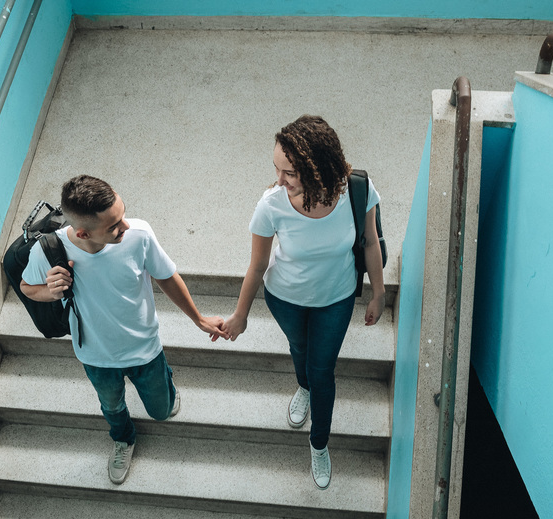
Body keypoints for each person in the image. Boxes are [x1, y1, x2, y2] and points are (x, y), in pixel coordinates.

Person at [20, 174, 225, 485]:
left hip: (145, 349)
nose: (125, 227)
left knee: (161, 409)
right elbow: (26, 287)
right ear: (83, 232)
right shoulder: (47, 251)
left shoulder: (138, 235)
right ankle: (123, 439)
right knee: (112, 406)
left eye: (123, 215)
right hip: (95, 356)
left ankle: (166, 383)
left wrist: (198, 319)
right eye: (113, 226)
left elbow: (166, 276)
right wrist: (53, 290)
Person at [220, 115, 386, 489]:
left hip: (337, 298)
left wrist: (378, 292)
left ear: (319, 169)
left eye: (290, 172)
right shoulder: (272, 204)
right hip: (286, 297)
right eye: (277, 169)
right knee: (300, 348)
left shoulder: (358, 189)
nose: (279, 180)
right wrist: (241, 314)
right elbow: (258, 263)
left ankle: (319, 443)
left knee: (323, 368)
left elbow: (371, 242)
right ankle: (303, 387)